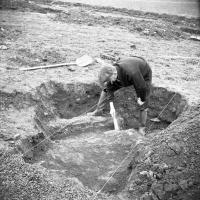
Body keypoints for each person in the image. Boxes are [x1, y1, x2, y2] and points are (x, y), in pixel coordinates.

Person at [88, 56, 152, 135]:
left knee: (144, 101)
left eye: (109, 79)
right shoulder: (112, 70)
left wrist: (142, 99)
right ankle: (98, 111)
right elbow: (108, 88)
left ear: (114, 74)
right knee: (106, 89)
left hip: (143, 72)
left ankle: (142, 128)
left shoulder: (132, 73)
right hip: (126, 69)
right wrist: (111, 104)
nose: (109, 82)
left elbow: (141, 87)